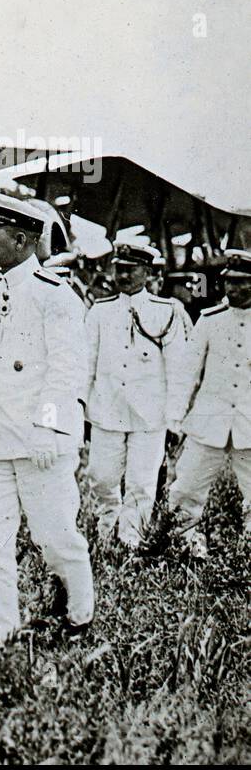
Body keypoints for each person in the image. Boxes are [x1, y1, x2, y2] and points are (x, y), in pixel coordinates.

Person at [0, 192, 94, 643]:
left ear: (20, 239)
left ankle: (78, 616)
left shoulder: (56, 297)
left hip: (39, 445)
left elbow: (67, 370)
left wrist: (49, 427)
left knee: (56, 538)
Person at [83, 239, 189, 548]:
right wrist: (80, 407)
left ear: (146, 272)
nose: (124, 277)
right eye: (120, 270)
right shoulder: (99, 313)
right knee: (101, 477)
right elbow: (86, 364)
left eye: (131, 271)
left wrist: (174, 419)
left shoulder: (165, 312)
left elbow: (177, 372)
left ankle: (131, 540)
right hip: (107, 411)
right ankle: (107, 526)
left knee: (142, 482)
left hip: (150, 415)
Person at [166, 249, 251, 559]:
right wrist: (174, 419)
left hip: (249, 424)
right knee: (187, 487)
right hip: (209, 421)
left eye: (243, 283)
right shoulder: (210, 320)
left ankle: (248, 551)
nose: (234, 289)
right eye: (230, 283)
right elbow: (187, 374)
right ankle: (185, 545)